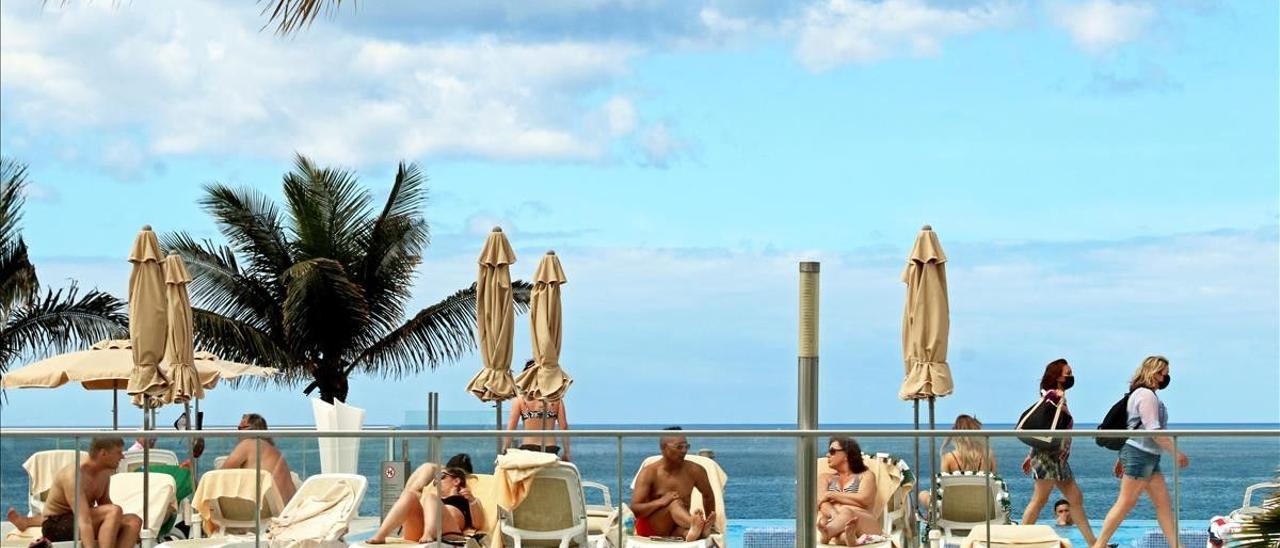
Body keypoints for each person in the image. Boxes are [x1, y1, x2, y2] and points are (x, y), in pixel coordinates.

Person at [1092, 356, 1188, 548]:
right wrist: (1177, 452)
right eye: (1163, 374)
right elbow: (1153, 431)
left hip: (1148, 456)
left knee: (1163, 507)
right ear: (1153, 373)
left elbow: (1135, 429)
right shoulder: (1146, 395)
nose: (1166, 378)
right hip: (1140, 455)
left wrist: (1124, 457)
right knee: (1125, 504)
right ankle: (1098, 545)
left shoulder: (1145, 395)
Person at [5, 437, 142, 548]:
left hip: (79, 518)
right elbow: (85, 521)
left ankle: (27, 521)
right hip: (56, 525)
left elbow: (105, 504)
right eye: (118, 452)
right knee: (114, 511)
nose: (123, 456)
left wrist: (122, 525)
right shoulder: (74, 476)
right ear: (103, 453)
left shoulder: (104, 472)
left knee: (134, 521)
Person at [1020, 358, 1097, 546]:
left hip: (1058, 459)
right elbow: (1045, 426)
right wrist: (1032, 454)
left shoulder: (1056, 396)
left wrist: (1030, 454)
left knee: (1075, 498)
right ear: (1058, 376)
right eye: (1068, 373)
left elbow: (1047, 428)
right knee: (1039, 500)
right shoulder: (1054, 396)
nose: (1071, 376)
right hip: (1048, 457)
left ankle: (1095, 543)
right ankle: (1019, 540)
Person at [368, 454, 486, 544]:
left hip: (448, 532)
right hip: (421, 531)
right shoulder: (436, 500)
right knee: (409, 495)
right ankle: (380, 535)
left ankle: (429, 534)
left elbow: (478, 524)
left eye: (441, 477)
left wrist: (472, 500)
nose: (436, 481)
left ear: (456, 481)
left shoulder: (467, 499)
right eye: (435, 479)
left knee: (430, 498)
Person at [631, 427, 717, 542]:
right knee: (674, 503)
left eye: (687, 446)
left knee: (690, 534)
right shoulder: (649, 472)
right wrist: (661, 502)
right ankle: (696, 525)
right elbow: (635, 510)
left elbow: (708, 496)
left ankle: (700, 531)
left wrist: (710, 521)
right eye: (679, 447)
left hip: (678, 528)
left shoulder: (695, 470)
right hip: (650, 528)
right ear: (663, 448)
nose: (684, 451)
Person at [917, 414, 997, 515]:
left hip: (954, 511)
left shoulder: (949, 458)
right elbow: (994, 482)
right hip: (982, 509)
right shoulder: (988, 455)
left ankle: (930, 518)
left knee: (922, 495)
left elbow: (943, 490)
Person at [220, 413, 297, 504]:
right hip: (289, 509)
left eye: (240, 428)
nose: (237, 433)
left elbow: (220, 474)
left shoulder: (248, 443)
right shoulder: (275, 451)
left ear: (249, 428)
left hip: (268, 511)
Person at [818, 437, 881, 546]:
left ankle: (828, 533)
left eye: (832, 451)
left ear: (847, 455)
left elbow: (865, 500)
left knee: (847, 512)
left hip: (862, 520)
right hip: (835, 521)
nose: (828, 455)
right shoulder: (824, 478)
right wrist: (835, 515)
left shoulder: (866, 475)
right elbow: (821, 502)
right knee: (842, 533)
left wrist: (831, 494)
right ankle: (850, 539)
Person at [504, 359, 571, 460]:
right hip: (550, 448)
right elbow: (564, 427)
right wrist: (567, 452)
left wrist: (505, 449)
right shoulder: (555, 399)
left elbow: (511, 428)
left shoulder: (519, 400)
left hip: (528, 448)